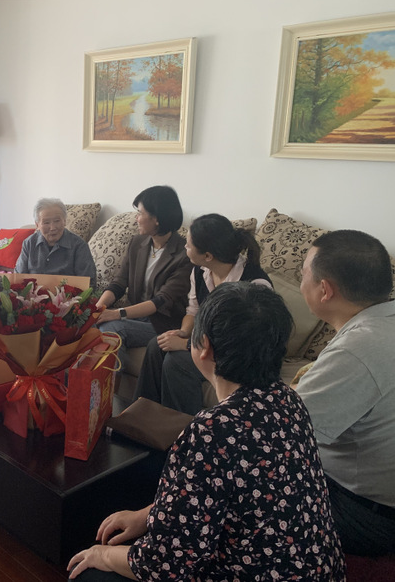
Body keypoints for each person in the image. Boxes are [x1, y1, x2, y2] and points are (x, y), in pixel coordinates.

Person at [68, 282, 346, 581]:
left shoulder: (212, 431)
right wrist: (147, 516)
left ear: (204, 347)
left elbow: (164, 565)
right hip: (319, 569)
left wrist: (102, 555)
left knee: (88, 574)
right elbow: (213, 494)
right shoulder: (289, 399)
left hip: (251, 571)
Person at [296, 230, 395, 556]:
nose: (300, 281)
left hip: (366, 513)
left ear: (325, 290)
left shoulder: (359, 348)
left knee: (239, 476)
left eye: (303, 273)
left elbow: (280, 430)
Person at [133, 213, 272, 414]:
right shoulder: (200, 272)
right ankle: (141, 417)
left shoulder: (254, 284)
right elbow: (193, 311)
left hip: (242, 357)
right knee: (157, 344)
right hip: (209, 346)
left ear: (208, 256)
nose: (184, 247)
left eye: (188, 245)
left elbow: (239, 343)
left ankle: (180, 428)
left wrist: (187, 345)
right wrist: (183, 332)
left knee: (177, 362)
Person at [95, 185, 191, 349]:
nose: (136, 218)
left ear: (157, 219)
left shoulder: (185, 254)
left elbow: (161, 300)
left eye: (140, 213)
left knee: (113, 329)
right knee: (87, 324)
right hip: (133, 315)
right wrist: (98, 309)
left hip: (162, 322)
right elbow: (119, 282)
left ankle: (112, 368)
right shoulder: (137, 243)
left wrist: (117, 314)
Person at [15, 198, 97, 287]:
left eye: (57, 221)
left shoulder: (79, 246)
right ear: (37, 225)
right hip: (32, 294)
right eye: (46, 222)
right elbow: (18, 278)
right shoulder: (29, 243)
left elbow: (88, 284)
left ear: (64, 221)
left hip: (69, 295)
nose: (52, 228)